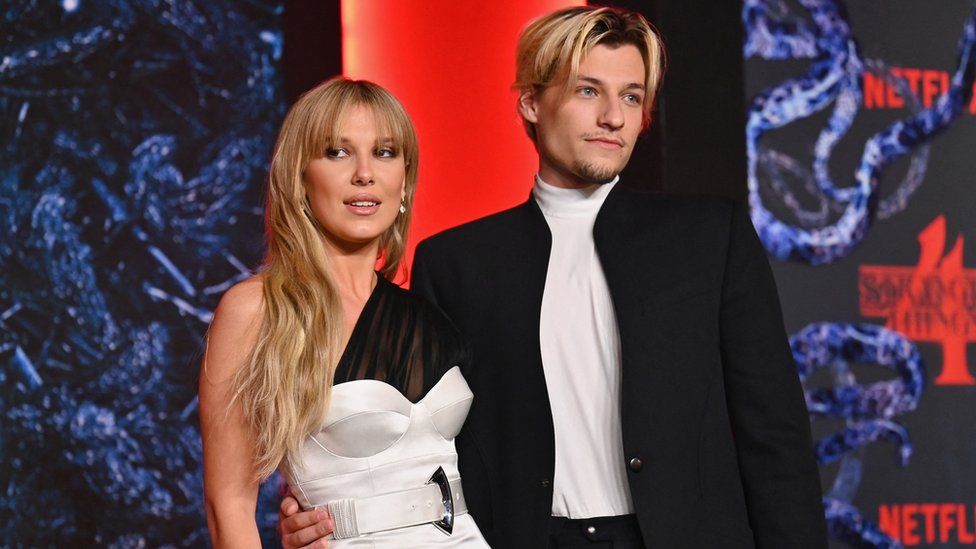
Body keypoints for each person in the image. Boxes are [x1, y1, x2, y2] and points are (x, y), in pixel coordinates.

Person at [281, 6, 828, 548]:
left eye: (632, 96)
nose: (614, 116)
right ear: (530, 102)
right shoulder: (457, 264)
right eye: (588, 91)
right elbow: (417, 448)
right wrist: (328, 511)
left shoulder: (710, 239)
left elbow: (774, 436)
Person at [200, 76, 490, 547]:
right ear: (300, 176)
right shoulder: (257, 310)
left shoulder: (428, 313)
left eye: (385, 152)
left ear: (404, 179)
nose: (364, 173)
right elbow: (227, 503)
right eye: (337, 152)